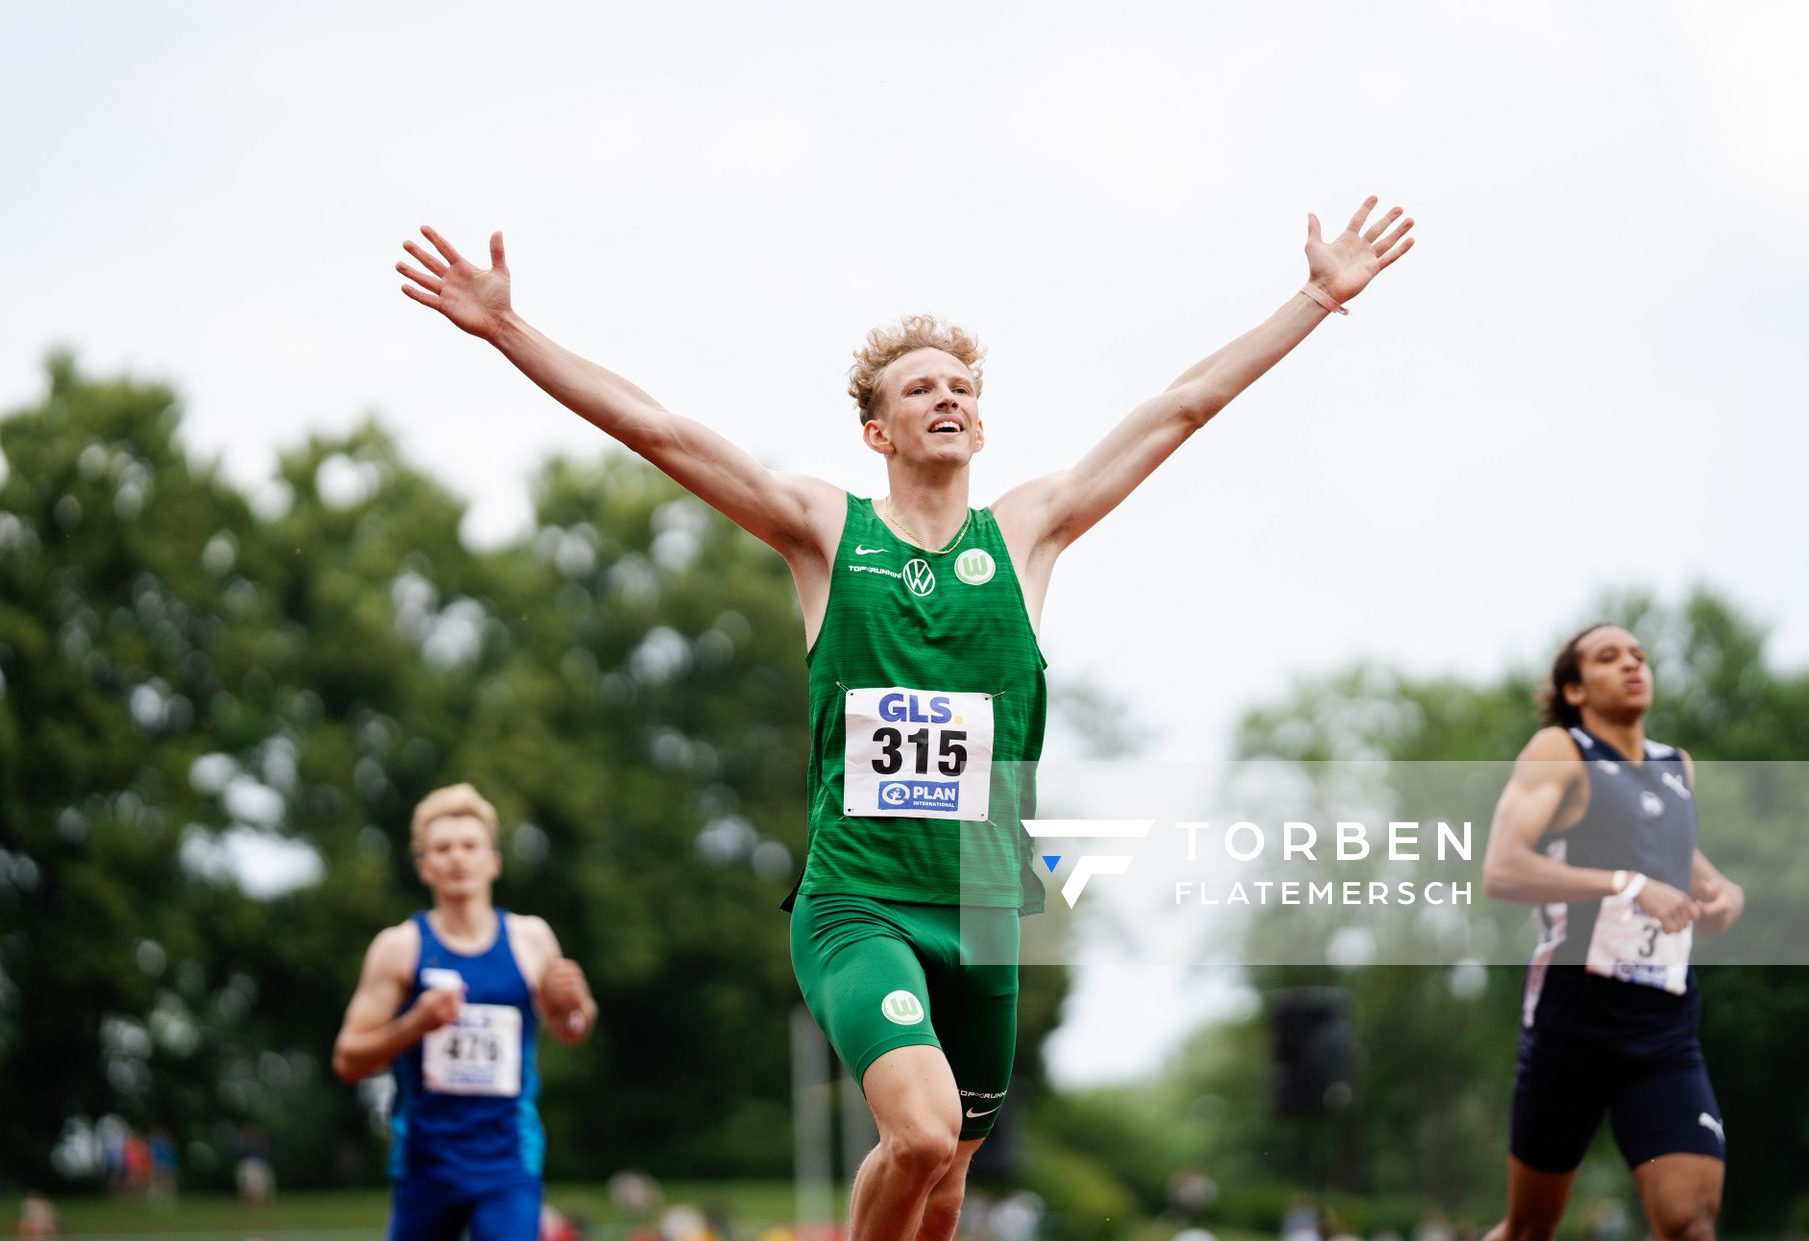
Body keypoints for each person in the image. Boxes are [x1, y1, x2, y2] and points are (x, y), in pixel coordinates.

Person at [395, 197, 1414, 1241]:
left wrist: (1316, 299)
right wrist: (507, 328)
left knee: (948, 1184)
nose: (948, 396)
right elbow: (656, 429)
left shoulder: (1026, 532)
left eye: (963, 386)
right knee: (919, 1134)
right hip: (858, 897)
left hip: (981, 905)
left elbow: (1181, 405)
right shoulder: (826, 532)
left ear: (979, 421)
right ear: (878, 428)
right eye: (921, 385)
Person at [1482, 625, 1746, 1241]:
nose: (1632, 664)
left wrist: (1723, 893)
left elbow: (1678, 855)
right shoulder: (1560, 751)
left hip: (1662, 1027)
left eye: (1639, 655)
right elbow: (1503, 869)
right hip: (1574, 1019)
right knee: (1529, 1229)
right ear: (1575, 689)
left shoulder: (1675, 766)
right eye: (1609, 658)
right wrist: (1624, 884)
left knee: (1689, 1224)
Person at [333, 783, 598, 1241]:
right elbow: (348, 1060)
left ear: (492, 861)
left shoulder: (530, 939)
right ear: (424, 867)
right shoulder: (400, 949)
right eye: (442, 848)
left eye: (469, 846)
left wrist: (572, 1002)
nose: (457, 857)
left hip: (508, 1161)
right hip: (425, 1162)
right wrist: (415, 1024)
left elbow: (571, 1029)